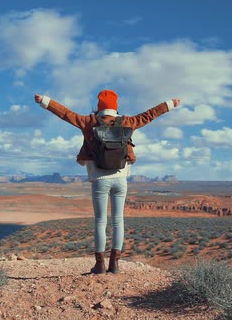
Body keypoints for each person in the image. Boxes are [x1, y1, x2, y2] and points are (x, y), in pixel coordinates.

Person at [34, 89, 180, 274]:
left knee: (100, 221)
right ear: (115, 108)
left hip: (99, 178)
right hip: (121, 178)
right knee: (118, 221)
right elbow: (149, 115)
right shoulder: (126, 121)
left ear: (99, 107)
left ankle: (100, 265)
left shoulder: (89, 121)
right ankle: (115, 264)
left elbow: (65, 114)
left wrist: (45, 101)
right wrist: (170, 104)